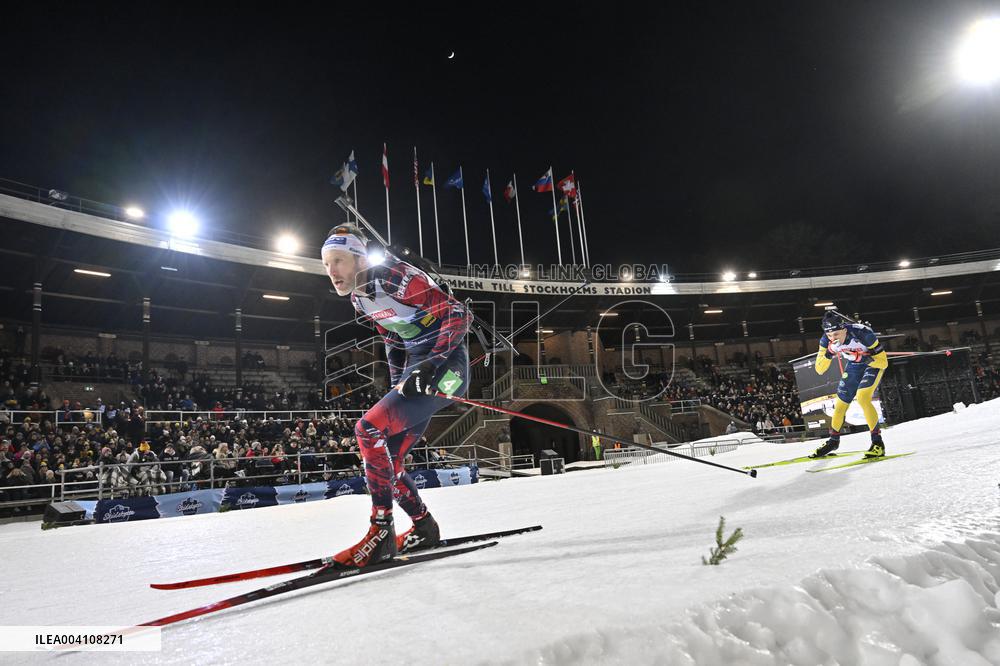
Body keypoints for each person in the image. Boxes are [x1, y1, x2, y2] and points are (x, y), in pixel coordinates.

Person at [321, 222, 470, 568]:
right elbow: (392, 337)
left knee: (367, 429)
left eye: (339, 261)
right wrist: (397, 382)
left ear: (360, 259)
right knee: (389, 460)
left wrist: (430, 365)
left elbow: (458, 314)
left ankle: (381, 531)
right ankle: (424, 526)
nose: (331, 271)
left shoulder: (394, 277)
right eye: (326, 264)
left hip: (449, 366)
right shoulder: (358, 299)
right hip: (419, 366)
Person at [810, 311, 888, 459]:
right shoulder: (825, 341)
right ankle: (833, 441)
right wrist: (829, 353)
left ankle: (877, 443)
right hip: (854, 365)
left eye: (836, 334)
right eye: (829, 335)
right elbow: (820, 369)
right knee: (840, 404)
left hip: (871, 364)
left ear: (844, 329)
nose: (833, 338)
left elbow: (883, 362)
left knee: (863, 397)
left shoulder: (863, 333)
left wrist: (862, 358)